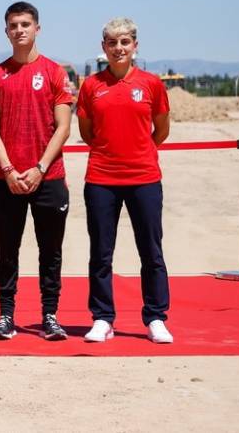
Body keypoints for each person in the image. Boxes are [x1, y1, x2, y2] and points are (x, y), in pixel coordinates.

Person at [77, 17, 173, 344]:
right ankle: (103, 318)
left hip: (144, 177)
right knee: (101, 253)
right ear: (103, 47)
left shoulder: (151, 84)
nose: (119, 48)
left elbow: (161, 129)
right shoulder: (91, 86)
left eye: (125, 42)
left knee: (151, 251)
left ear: (135, 46)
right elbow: (87, 133)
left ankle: (156, 317)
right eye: (112, 43)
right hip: (101, 178)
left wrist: (138, 150)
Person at [0, 2, 73, 341]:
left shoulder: (54, 73)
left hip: (48, 178)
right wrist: (7, 169)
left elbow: (63, 127)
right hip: (6, 180)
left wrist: (39, 167)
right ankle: (6, 315)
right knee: (7, 250)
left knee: (50, 252)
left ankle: (50, 315)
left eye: (25, 24)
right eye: (13, 25)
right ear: (6, 31)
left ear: (37, 28)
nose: (19, 30)